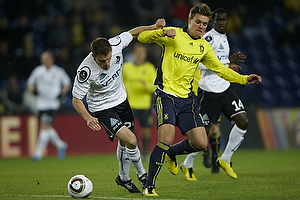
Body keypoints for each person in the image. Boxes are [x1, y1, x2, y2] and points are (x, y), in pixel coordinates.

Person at [137, 3, 262, 196]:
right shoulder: (174, 35)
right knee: (166, 138)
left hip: (187, 99)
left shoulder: (204, 46)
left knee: (201, 143)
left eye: (204, 23)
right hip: (166, 95)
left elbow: (220, 69)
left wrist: (245, 79)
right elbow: (143, 37)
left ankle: (171, 154)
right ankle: (149, 186)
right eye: (198, 22)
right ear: (189, 20)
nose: (201, 26)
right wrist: (160, 31)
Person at [72, 19, 165, 193]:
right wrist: (88, 118)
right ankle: (143, 175)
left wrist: (152, 27)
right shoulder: (86, 70)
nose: (107, 64)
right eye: (102, 62)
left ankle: (123, 177)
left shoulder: (116, 44)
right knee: (131, 140)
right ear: (93, 57)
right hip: (102, 108)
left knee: (125, 143)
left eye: (108, 59)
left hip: (122, 101)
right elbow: (76, 99)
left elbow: (133, 32)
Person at [181, 8, 249, 181]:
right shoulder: (208, 38)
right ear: (213, 22)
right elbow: (201, 65)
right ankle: (187, 164)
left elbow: (219, 62)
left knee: (243, 121)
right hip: (209, 92)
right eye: (218, 20)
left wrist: (228, 62)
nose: (221, 22)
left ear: (227, 21)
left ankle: (225, 159)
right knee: (202, 136)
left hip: (225, 89)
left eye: (224, 19)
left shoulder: (225, 37)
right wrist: (228, 63)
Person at [27, 51, 70, 161]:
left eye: (47, 58)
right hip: (41, 103)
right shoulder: (38, 71)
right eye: (44, 59)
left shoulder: (58, 71)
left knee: (45, 126)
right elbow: (30, 84)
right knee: (46, 127)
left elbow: (67, 83)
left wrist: (61, 94)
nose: (46, 61)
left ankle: (38, 153)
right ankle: (61, 145)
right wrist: (34, 92)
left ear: (52, 59)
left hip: (52, 104)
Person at [123, 43, 157, 162]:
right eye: (137, 52)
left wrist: (146, 85)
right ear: (133, 54)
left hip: (144, 104)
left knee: (146, 130)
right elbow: (120, 84)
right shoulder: (126, 67)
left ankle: (145, 153)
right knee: (128, 130)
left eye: (141, 52)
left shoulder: (149, 68)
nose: (139, 54)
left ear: (145, 54)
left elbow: (155, 87)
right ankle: (132, 151)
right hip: (130, 104)